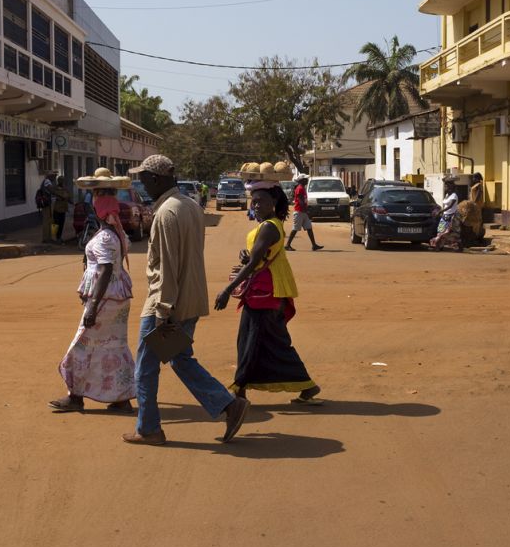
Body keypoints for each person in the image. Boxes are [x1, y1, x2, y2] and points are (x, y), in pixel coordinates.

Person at [123, 154, 250, 446]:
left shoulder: (166, 212)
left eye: (144, 179)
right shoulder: (189, 206)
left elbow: (167, 266)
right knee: (180, 359)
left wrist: (163, 311)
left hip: (166, 303)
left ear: (157, 179)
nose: (142, 185)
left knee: (146, 367)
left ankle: (149, 429)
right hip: (190, 299)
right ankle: (229, 405)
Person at [214, 172, 321, 404]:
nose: (256, 205)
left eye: (261, 201)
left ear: (273, 202)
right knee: (271, 343)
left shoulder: (269, 227)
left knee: (252, 342)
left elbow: (255, 263)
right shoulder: (270, 225)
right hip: (266, 292)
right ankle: (305, 386)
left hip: (264, 294)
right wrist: (247, 257)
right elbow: (257, 258)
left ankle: (239, 389)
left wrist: (227, 289)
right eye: (254, 201)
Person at [49, 169, 136, 414]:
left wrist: (93, 308)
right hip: (118, 298)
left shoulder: (105, 238)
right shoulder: (116, 233)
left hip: (105, 300)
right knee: (114, 346)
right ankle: (121, 398)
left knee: (82, 346)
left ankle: (75, 397)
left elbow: (106, 270)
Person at [284, 173, 323, 251]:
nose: (307, 180)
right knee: (295, 229)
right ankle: (287, 245)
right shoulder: (300, 188)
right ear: (302, 180)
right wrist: (306, 210)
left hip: (303, 212)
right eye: (306, 179)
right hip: (299, 211)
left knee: (309, 228)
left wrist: (306, 210)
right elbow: (300, 200)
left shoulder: (302, 188)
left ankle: (314, 245)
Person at [429, 179, 462, 251]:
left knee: (449, 233)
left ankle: (457, 246)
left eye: (447, 186)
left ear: (450, 187)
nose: (445, 187)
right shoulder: (447, 195)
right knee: (440, 231)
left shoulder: (454, 196)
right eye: (445, 185)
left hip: (452, 217)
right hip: (445, 216)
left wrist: (440, 211)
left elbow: (450, 206)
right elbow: (445, 206)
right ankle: (439, 246)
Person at [458, 172, 485, 247]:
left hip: (476, 205)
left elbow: (478, 194)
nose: (473, 179)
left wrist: (474, 203)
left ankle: (477, 236)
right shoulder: (475, 185)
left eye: (474, 178)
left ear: (477, 178)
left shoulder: (479, 185)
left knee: (477, 221)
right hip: (473, 204)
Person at [51, 176, 71, 244]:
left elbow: (67, 196)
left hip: (63, 209)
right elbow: (60, 195)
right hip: (57, 209)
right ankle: (54, 237)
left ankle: (59, 237)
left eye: (63, 180)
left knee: (61, 224)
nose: (62, 182)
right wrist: (63, 196)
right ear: (58, 181)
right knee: (55, 224)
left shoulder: (65, 188)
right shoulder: (55, 188)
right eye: (61, 180)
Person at [39, 170, 57, 243]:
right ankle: (46, 238)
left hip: (48, 203)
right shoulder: (47, 181)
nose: (54, 177)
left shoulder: (47, 181)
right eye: (53, 176)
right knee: (47, 221)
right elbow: (52, 190)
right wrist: (58, 193)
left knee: (49, 220)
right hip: (47, 204)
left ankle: (49, 237)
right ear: (50, 176)